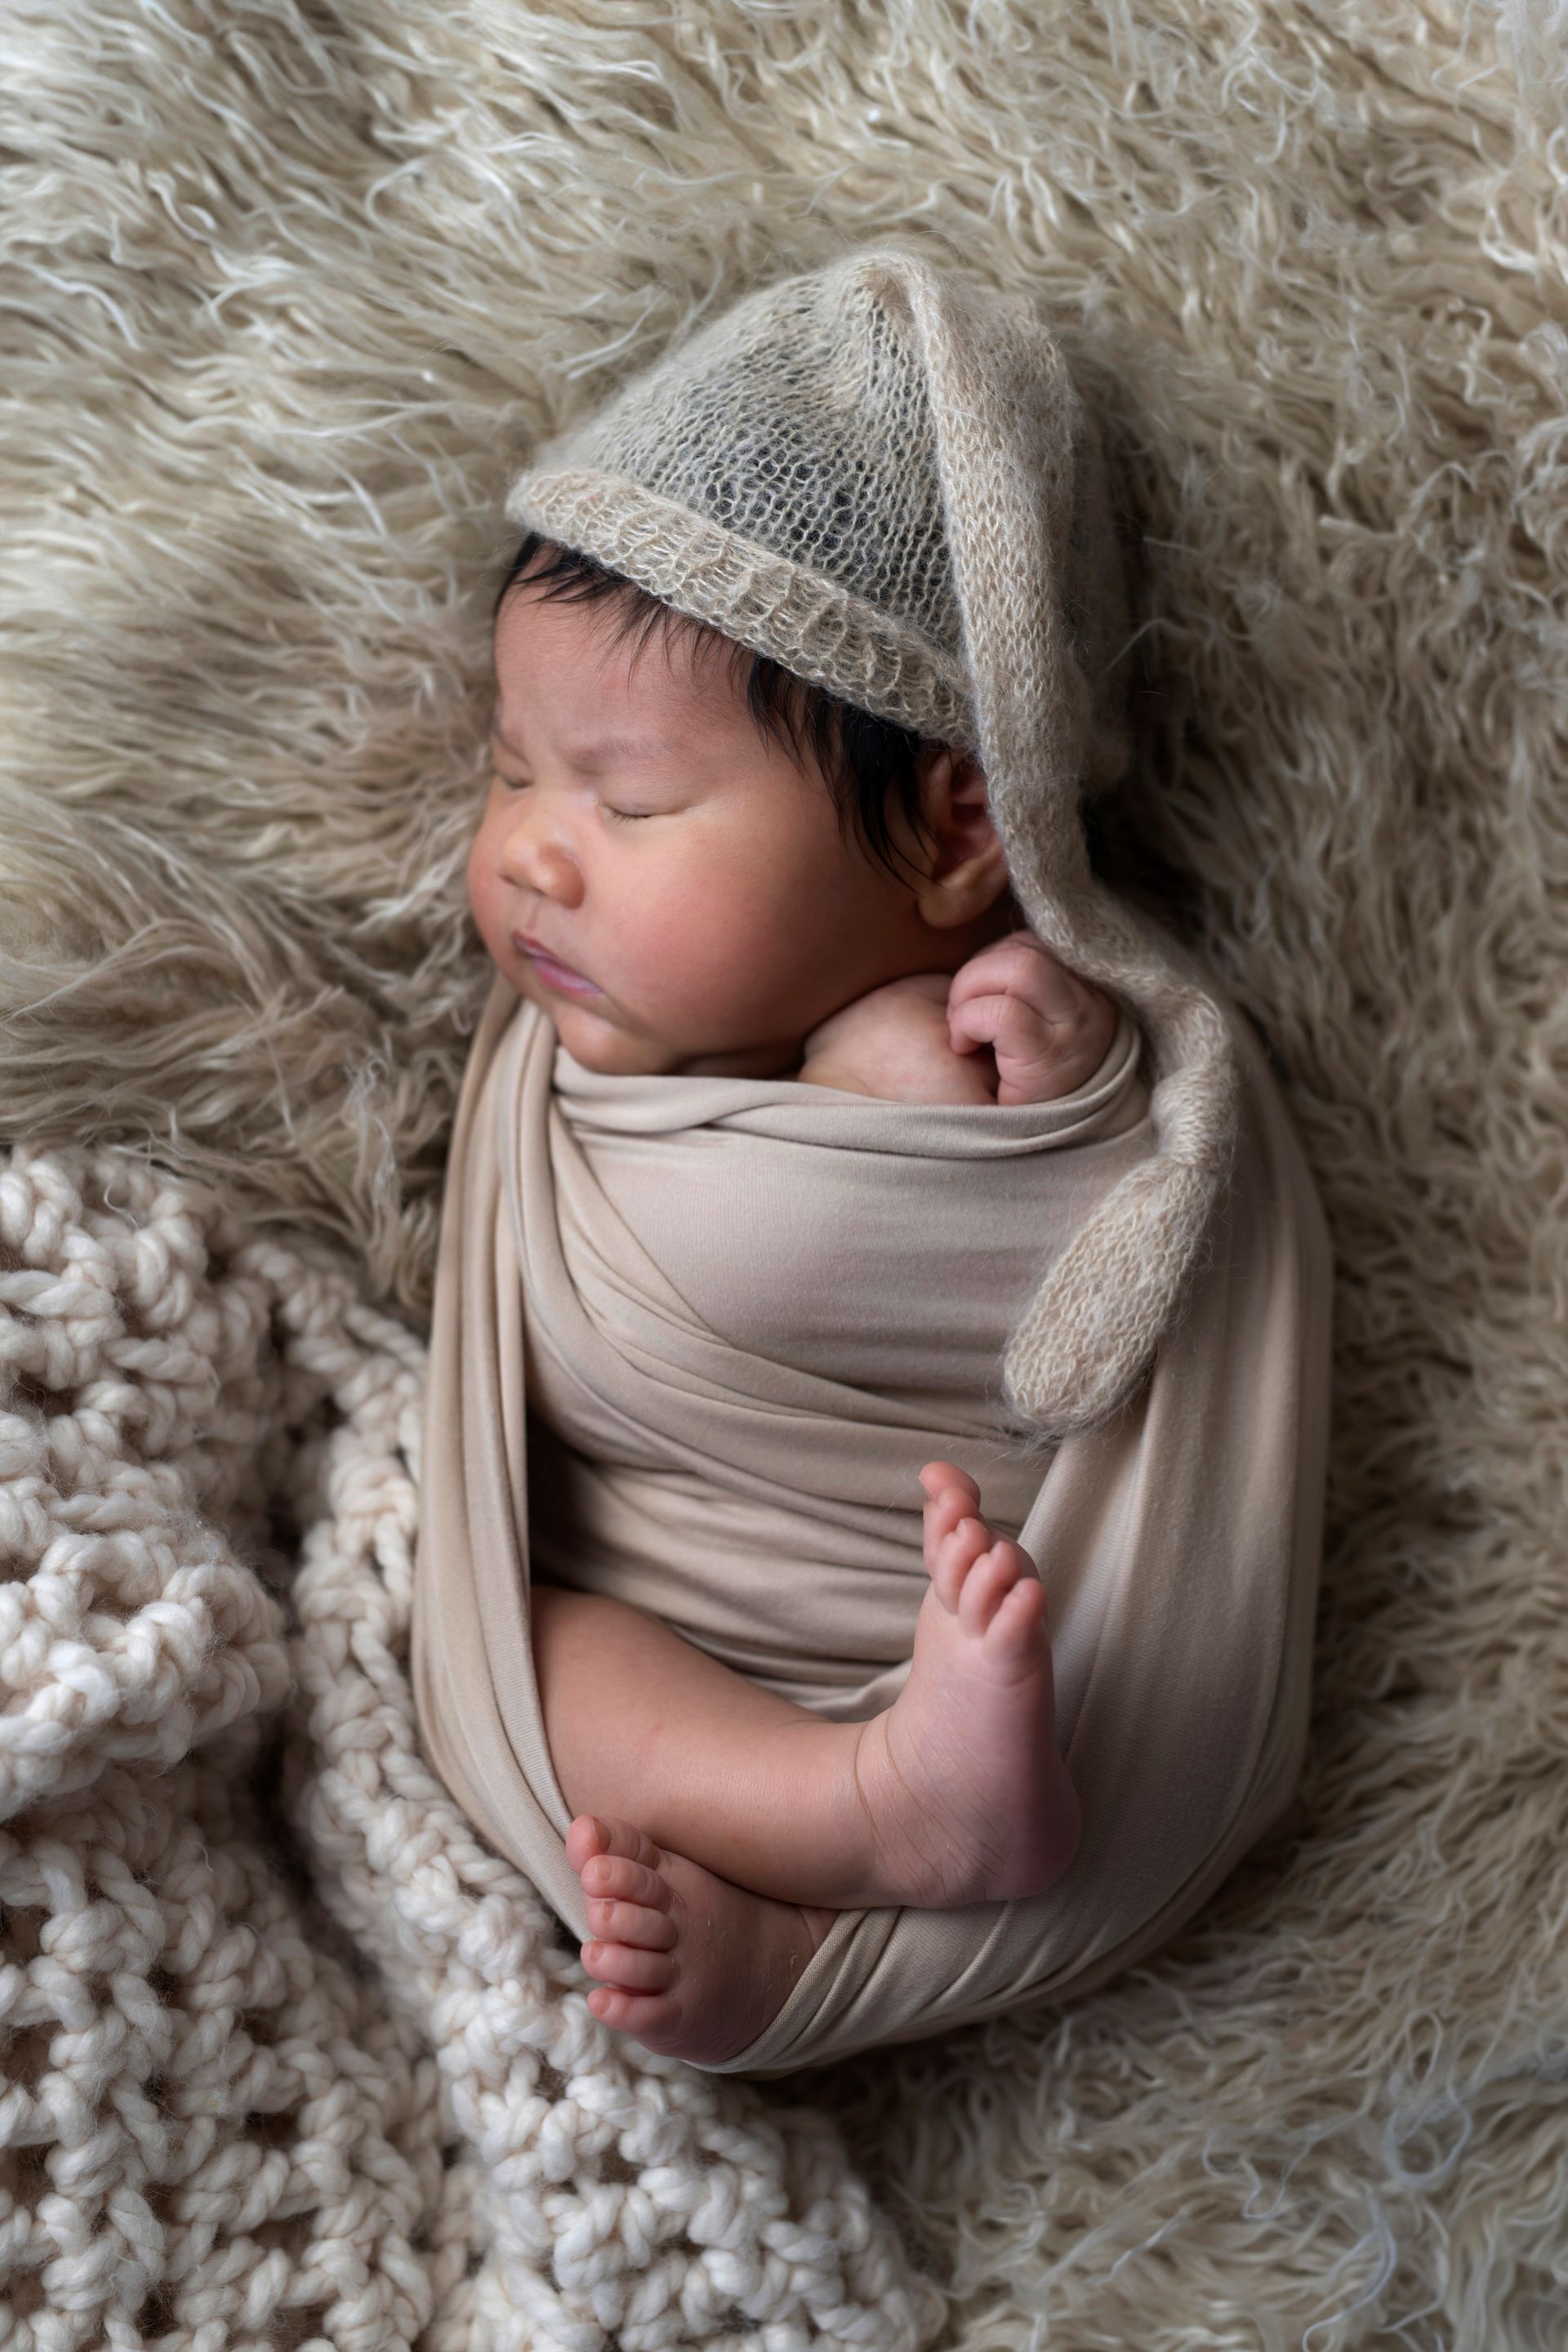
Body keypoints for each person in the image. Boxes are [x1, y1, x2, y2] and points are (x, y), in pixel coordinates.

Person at [410, 247, 1332, 2078]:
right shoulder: (567, 1061)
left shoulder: (1040, 1036)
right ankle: (846, 1823)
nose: (532, 854)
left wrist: (1072, 1097)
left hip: (954, 1610)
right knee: (522, 1650)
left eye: (632, 800)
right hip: (673, 1634)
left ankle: (897, 1810)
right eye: (515, 771)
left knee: (900, 1059)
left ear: (957, 833)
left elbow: (1134, 1256)